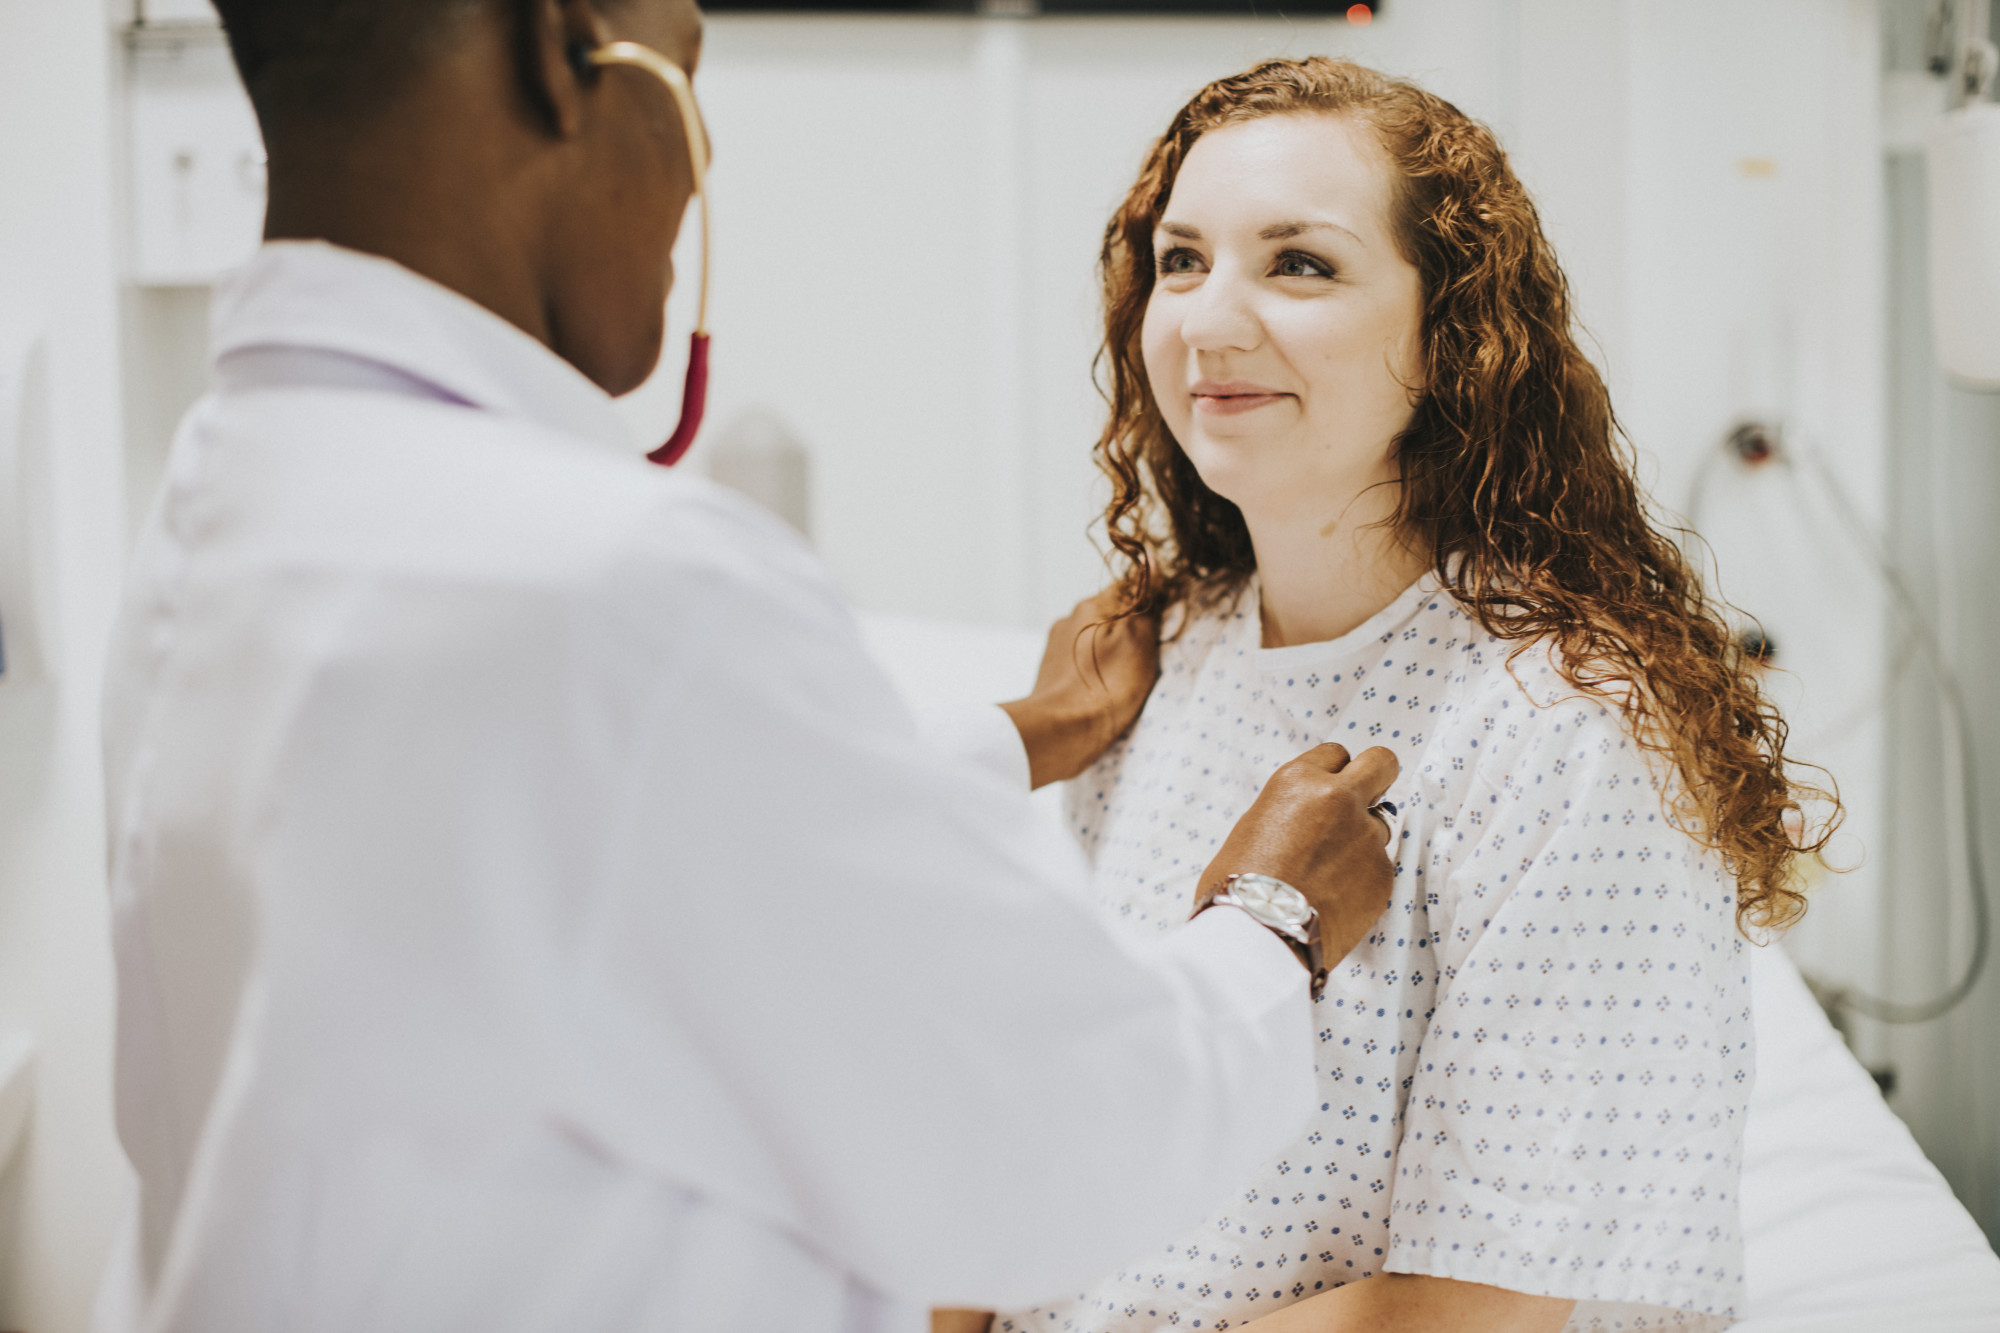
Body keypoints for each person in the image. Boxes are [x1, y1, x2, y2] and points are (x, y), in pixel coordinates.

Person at [95, 6, 1404, 1332]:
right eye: (691, 67)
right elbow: (1040, 1149)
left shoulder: (230, 495)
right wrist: (1270, 924)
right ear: (566, 54)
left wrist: (1015, 734)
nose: (700, 155)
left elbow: (557, 846)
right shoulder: (621, 592)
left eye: (1300, 261)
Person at [952, 57, 1839, 1333]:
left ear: (1451, 337)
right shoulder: (1167, 661)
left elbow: (1477, 1309)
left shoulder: (1562, 729)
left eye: (1298, 264)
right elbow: (1056, 1129)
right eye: (1181, 258)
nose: (1206, 320)